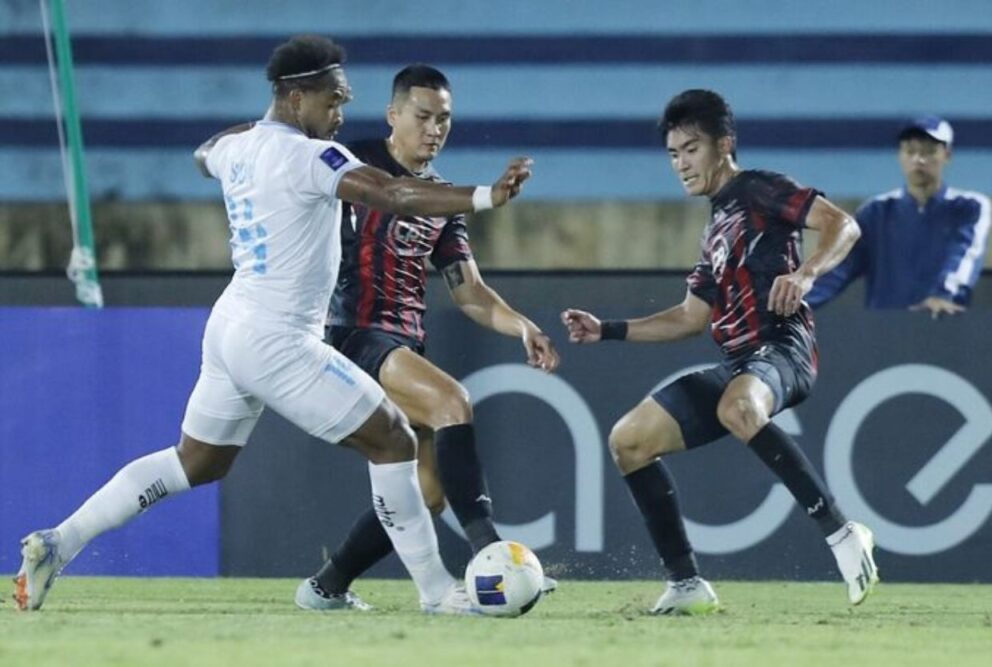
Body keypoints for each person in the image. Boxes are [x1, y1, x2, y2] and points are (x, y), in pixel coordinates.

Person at [14, 35, 533, 614]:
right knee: (394, 440)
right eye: (333, 100)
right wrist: (486, 195)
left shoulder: (239, 150)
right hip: (278, 338)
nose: (339, 115)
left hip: (231, 326)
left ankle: (60, 542)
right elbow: (393, 193)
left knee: (197, 461)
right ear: (296, 97)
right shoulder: (312, 158)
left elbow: (202, 153)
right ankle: (438, 592)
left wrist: (254, 131)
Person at [561, 89, 878, 615]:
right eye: (673, 154)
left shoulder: (760, 190)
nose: (682, 163)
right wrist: (606, 330)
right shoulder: (716, 226)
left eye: (692, 148)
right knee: (629, 441)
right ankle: (686, 584)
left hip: (783, 348)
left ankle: (844, 534)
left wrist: (805, 274)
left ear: (724, 145)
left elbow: (845, 224)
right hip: (739, 364)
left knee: (738, 407)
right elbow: (689, 317)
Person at [293, 64, 560, 611]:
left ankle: (326, 586)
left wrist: (522, 326)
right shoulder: (354, 162)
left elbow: (470, 292)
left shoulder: (442, 199)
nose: (434, 129)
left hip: (403, 345)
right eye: (422, 116)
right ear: (393, 116)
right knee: (452, 401)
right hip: (350, 333)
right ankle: (493, 556)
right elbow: (341, 191)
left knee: (428, 493)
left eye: (444, 119)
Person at [807, 116, 992, 316]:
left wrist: (944, 295)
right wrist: (796, 304)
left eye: (929, 151)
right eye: (910, 151)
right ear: (900, 155)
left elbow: (965, 254)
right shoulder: (875, 212)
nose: (918, 159)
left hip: (944, 328)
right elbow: (838, 268)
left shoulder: (969, 206)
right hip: (886, 334)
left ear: (947, 155)